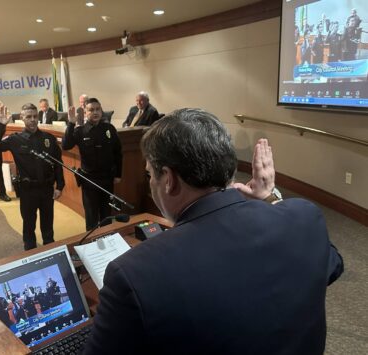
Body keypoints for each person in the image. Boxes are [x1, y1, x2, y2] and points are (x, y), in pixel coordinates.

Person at [83, 108, 344, 354]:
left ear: (169, 180)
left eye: (150, 174)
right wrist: (267, 199)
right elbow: (331, 265)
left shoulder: (132, 275)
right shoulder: (304, 218)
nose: (150, 183)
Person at [0, 103, 65, 250]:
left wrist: (60, 185)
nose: (32, 120)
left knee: (48, 228)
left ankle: (50, 251)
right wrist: (0, 126)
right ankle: (30, 252)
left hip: (46, 189)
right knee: (28, 227)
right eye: (28, 117)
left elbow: (58, 163)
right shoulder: (15, 139)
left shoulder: (48, 139)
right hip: (27, 191)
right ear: (21, 118)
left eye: (35, 116)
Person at [63, 98, 122, 231]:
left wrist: (118, 174)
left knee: (106, 214)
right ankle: (92, 245)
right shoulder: (80, 131)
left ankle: (107, 240)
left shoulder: (109, 129)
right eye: (91, 110)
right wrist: (71, 123)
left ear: (101, 111)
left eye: (98, 109)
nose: (95, 112)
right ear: (85, 113)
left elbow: (118, 153)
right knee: (91, 216)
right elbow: (66, 146)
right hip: (89, 181)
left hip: (107, 179)